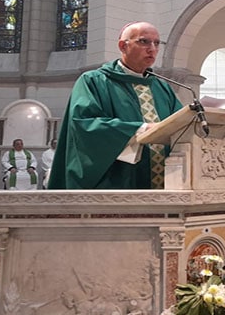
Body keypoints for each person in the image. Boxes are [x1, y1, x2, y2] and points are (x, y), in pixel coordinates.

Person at [49, 21, 183, 189]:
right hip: (118, 183)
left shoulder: (162, 87)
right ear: (123, 46)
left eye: (157, 43)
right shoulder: (94, 81)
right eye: (144, 42)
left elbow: (181, 125)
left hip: (167, 184)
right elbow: (85, 125)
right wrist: (141, 130)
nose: (152, 49)